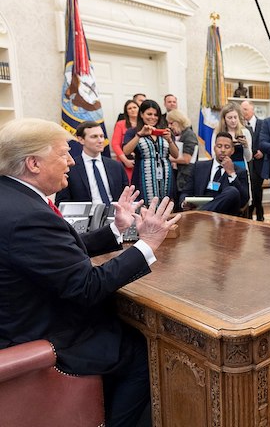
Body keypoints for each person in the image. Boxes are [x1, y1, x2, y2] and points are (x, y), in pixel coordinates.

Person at [0, 118, 181, 427]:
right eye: (62, 153)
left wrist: (115, 230)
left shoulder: (12, 200)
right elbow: (87, 287)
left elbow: (53, 253)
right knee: (143, 352)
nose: (72, 160)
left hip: (20, 317)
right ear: (33, 163)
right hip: (44, 333)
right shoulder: (28, 216)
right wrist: (149, 242)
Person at [56, 121, 128, 205]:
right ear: (81, 140)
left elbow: (126, 195)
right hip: (85, 216)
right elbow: (62, 202)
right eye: (94, 137)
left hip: (114, 214)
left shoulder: (116, 166)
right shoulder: (70, 168)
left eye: (102, 136)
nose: (100, 140)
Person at [122, 99, 179, 205]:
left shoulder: (165, 131)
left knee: (166, 206)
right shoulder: (133, 131)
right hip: (143, 176)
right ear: (142, 114)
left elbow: (175, 155)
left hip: (165, 176)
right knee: (144, 207)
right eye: (149, 114)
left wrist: (170, 140)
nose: (153, 117)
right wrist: (139, 134)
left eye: (156, 114)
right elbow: (126, 151)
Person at [179, 132, 249, 215]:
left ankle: (199, 214)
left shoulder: (240, 171)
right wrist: (184, 203)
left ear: (232, 150)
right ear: (214, 148)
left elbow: (244, 200)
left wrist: (232, 173)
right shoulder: (199, 166)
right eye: (219, 146)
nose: (222, 150)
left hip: (225, 214)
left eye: (227, 147)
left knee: (232, 191)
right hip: (200, 205)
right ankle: (201, 212)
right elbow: (186, 192)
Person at [240, 100, 265, 221]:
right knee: (248, 191)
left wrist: (263, 151)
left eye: (245, 109)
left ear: (252, 110)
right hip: (246, 164)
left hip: (259, 164)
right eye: (242, 109)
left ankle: (260, 217)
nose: (243, 112)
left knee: (257, 192)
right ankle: (248, 217)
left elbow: (266, 139)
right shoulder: (240, 126)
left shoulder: (263, 123)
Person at [166, 109, 198, 197]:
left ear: (178, 121)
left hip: (186, 177)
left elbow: (186, 159)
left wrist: (166, 158)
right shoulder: (178, 135)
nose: (169, 126)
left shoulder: (189, 135)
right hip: (178, 176)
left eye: (171, 123)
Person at [214, 102, 253, 172]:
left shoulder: (245, 132)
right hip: (223, 167)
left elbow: (248, 158)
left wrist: (246, 146)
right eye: (230, 118)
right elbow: (213, 154)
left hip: (241, 168)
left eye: (235, 117)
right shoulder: (217, 132)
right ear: (224, 119)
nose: (233, 121)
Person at [112, 99, 139, 182]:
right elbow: (115, 144)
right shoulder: (120, 124)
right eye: (129, 108)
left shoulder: (145, 125)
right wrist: (125, 161)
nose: (132, 110)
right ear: (126, 112)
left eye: (134, 107)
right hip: (125, 162)